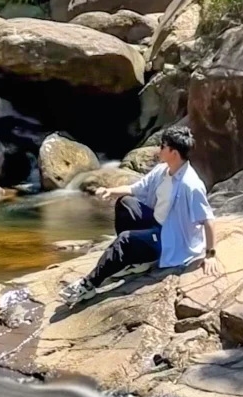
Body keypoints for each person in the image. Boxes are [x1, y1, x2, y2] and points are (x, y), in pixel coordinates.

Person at [60, 125, 222, 307]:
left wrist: (210, 255)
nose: (158, 148)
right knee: (125, 202)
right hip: (156, 222)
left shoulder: (190, 185)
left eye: (163, 146)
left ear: (174, 153)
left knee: (125, 240)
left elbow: (208, 220)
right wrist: (109, 190)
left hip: (169, 238)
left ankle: (89, 285)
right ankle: (135, 260)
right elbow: (134, 189)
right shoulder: (163, 170)